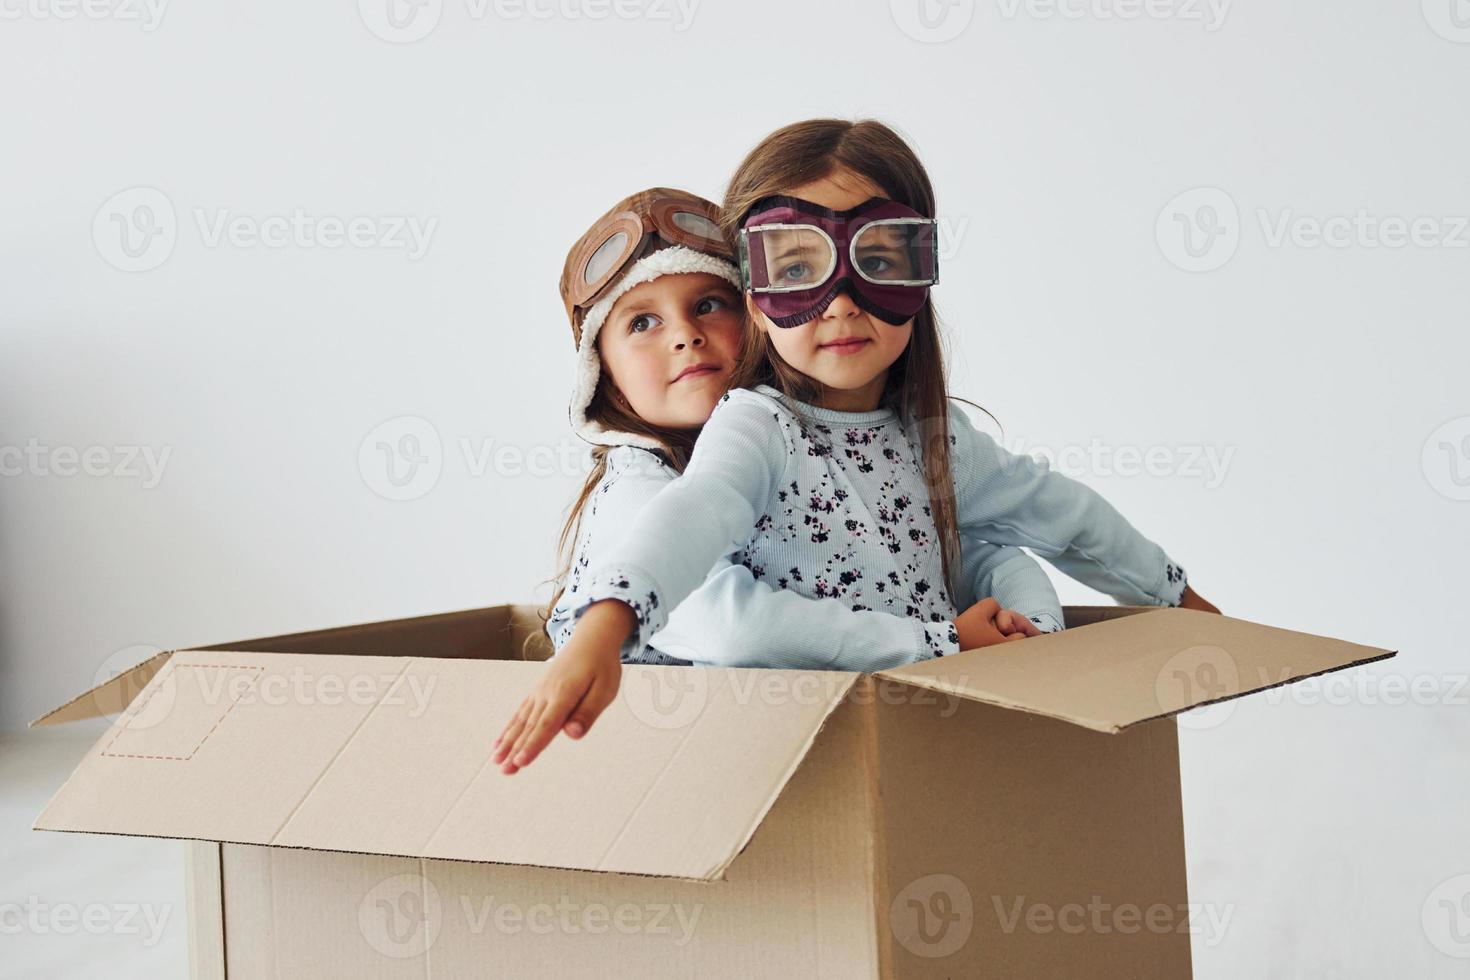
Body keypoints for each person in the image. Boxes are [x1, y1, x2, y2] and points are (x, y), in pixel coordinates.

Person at [498, 121, 1218, 774]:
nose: (842, 301)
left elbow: (1052, 513)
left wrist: (1170, 596)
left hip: (906, 744)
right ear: (759, 299)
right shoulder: (755, 429)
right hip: (752, 763)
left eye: (877, 257)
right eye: (798, 265)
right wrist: (606, 626)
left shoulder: (935, 439)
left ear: (921, 271)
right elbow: (695, 517)